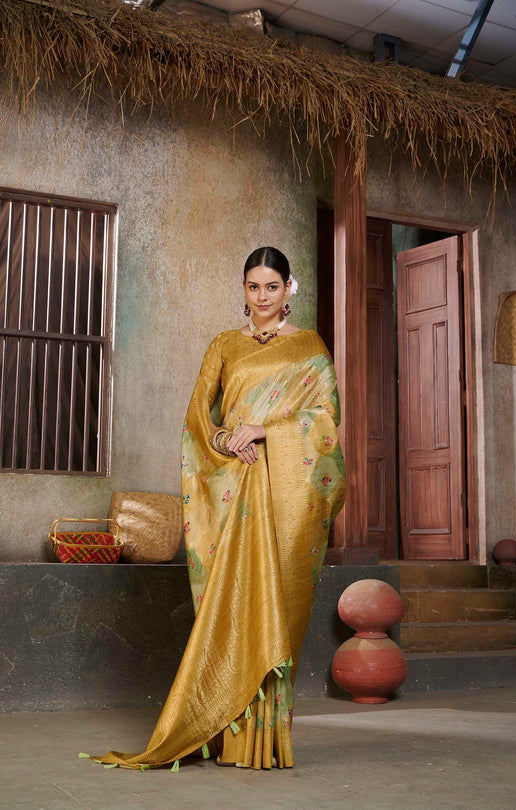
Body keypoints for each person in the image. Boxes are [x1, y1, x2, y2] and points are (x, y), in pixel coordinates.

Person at [85, 246, 346, 771]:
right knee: (235, 607)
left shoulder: (311, 348)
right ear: (243, 290)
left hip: (286, 498)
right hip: (233, 496)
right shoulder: (225, 345)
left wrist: (266, 430)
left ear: (288, 289)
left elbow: (326, 424)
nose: (262, 297)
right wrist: (229, 438)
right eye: (253, 287)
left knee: (280, 611)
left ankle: (267, 741)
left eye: (272, 287)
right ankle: (227, 734)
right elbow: (197, 418)